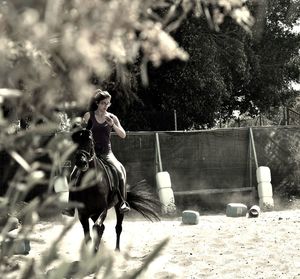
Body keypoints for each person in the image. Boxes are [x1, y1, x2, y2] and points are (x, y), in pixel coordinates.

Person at [82, 89, 130, 213]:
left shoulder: (112, 117)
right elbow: (81, 134)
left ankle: (123, 202)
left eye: (108, 103)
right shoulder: (88, 116)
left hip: (106, 153)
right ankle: (70, 207)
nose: (106, 106)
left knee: (119, 170)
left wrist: (113, 125)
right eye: (103, 103)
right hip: (91, 155)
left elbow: (123, 135)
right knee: (75, 172)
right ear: (97, 103)